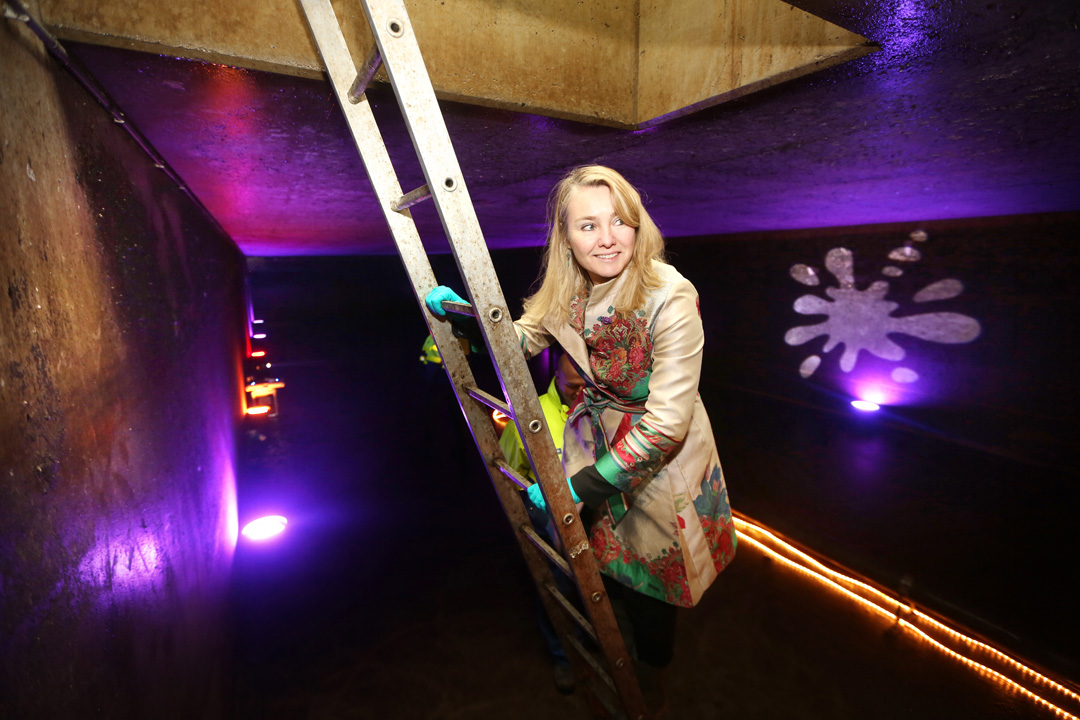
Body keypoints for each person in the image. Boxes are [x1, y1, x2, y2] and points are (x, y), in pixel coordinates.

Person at [427, 165, 736, 716]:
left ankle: (652, 676)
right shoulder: (566, 287)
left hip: (656, 457)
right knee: (602, 565)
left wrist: (580, 487)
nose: (608, 237)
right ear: (565, 237)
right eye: (588, 225)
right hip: (593, 440)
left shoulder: (670, 292)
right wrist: (465, 319)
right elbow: (523, 338)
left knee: (654, 582)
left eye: (620, 221)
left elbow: (666, 422)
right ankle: (604, 651)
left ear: (639, 227)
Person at [498, 349, 586, 694]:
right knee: (559, 593)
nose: (579, 394)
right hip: (552, 527)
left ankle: (600, 647)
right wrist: (531, 500)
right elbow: (505, 471)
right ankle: (564, 658)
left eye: (585, 386)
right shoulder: (529, 416)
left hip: (599, 523)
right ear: (556, 377)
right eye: (572, 387)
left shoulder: (602, 407)